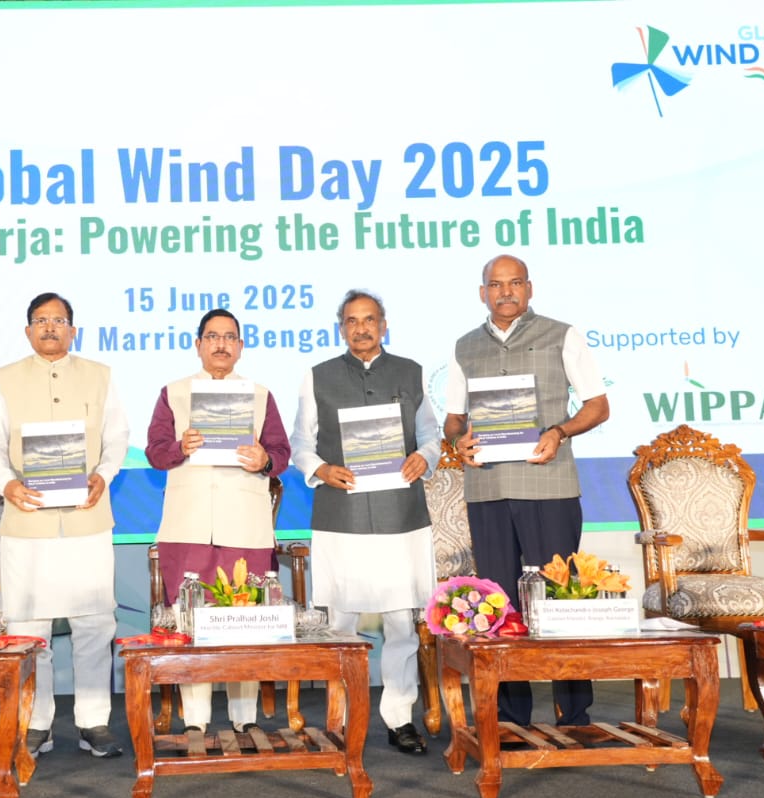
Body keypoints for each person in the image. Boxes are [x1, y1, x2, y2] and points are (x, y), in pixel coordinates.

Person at [443, 254, 610, 726]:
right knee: (499, 602)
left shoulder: (562, 334)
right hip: (488, 488)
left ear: (530, 288)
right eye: (496, 285)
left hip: (549, 485)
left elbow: (598, 406)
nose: (506, 292)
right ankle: (511, 716)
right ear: (483, 293)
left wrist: (557, 431)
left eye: (515, 283)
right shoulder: (464, 346)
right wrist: (458, 440)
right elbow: (454, 418)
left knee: (562, 599)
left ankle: (575, 714)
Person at [0, 292, 129, 759]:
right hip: (28, 522)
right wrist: (8, 486)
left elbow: (118, 436)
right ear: (27, 331)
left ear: (73, 329)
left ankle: (93, 722)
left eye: (59, 320)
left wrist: (103, 474)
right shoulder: (5, 378)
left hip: (87, 519)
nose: (50, 328)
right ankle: (36, 722)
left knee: (93, 625)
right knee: (30, 628)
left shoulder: (100, 376)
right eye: (40, 321)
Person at [290, 289, 439, 755]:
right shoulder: (319, 378)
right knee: (342, 621)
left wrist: (424, 456)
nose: (361, 328)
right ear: (342, 328)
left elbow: (431, 434)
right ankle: (341, 720)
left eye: (369, 319)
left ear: (383, 324)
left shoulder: (410, 373)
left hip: (400, 514)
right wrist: (320, 469)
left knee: (399, 620)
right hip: (343, 514)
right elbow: (300, 443)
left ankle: (399, 719)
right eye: (352, 321)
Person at [144, 308, 291, 734]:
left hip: (245, 524)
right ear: (198, 344)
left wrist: (265, 459)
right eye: (212, 336)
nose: (221, 344)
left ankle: (244, 720)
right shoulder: (173, 393)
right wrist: (179, 447)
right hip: (187, 526)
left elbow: (280, 453)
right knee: (192, 622)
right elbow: (155, 452)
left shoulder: (261, 395)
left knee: (243, 623)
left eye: (230, 337)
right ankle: (195, 721)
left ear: (241, 347)